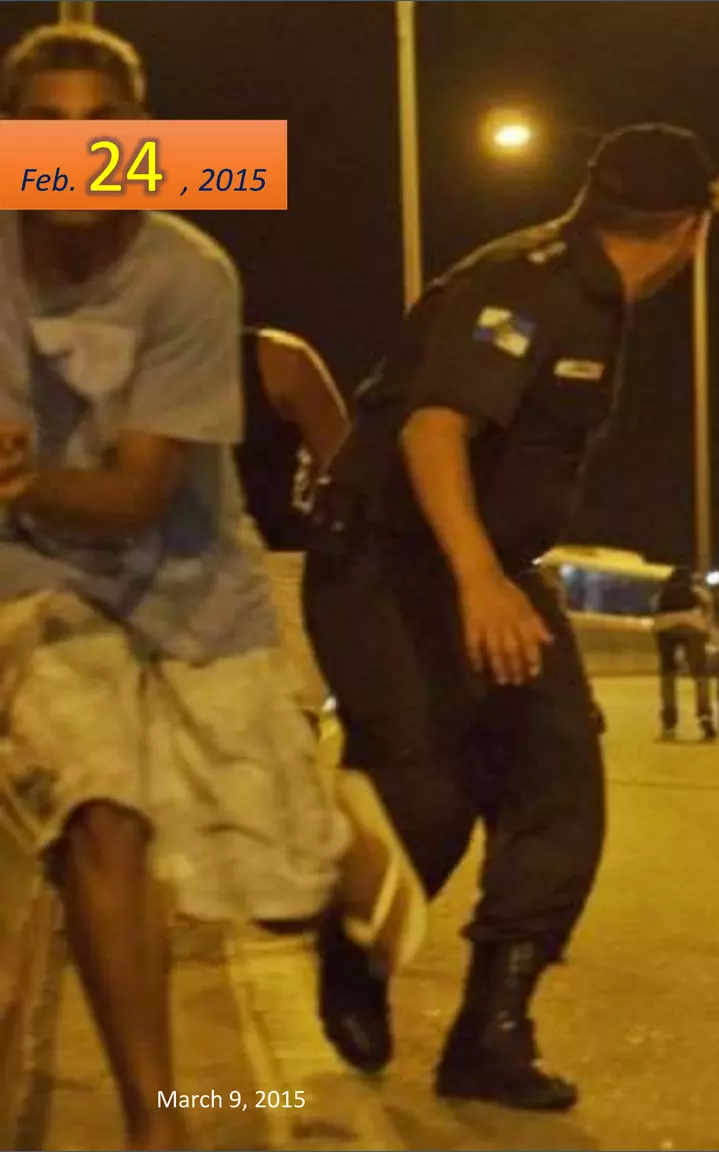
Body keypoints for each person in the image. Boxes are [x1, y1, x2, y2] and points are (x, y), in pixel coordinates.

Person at [0, 25, 423, 1148]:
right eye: (43, 131)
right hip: (41, 583)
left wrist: (27, 475)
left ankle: (344, 867)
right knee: (100, 810)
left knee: (271, 867)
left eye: (103, 132)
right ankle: (160, 1125)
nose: (72, 157)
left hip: (193, 587)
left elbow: (138, 496)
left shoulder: (191, 276)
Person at [303, 122, 719, 1111]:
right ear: (688, 233)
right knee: (429, 786)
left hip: (484, 560)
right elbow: (434, 425)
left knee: (558, 782)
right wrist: (478, 579)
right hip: (386, 557)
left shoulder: (597, 295)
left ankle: (491, 1033)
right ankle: (352, 948)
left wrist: (494, 574)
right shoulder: (526, 282)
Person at [236, 325, 350, 723]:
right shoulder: (132, 367)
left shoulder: (279, 361)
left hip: (274, 566)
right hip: (165, 573)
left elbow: (343, 472)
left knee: (291, 729)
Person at [652, 565, 717, 741]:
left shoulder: (663, 593)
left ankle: (669, 724)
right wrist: (707, 633)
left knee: (668, 675)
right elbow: (708, 613)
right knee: (700, 674)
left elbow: (655, 614)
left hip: (665, 629)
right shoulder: (698, 593)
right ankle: (705, 717)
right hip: (694, 627)